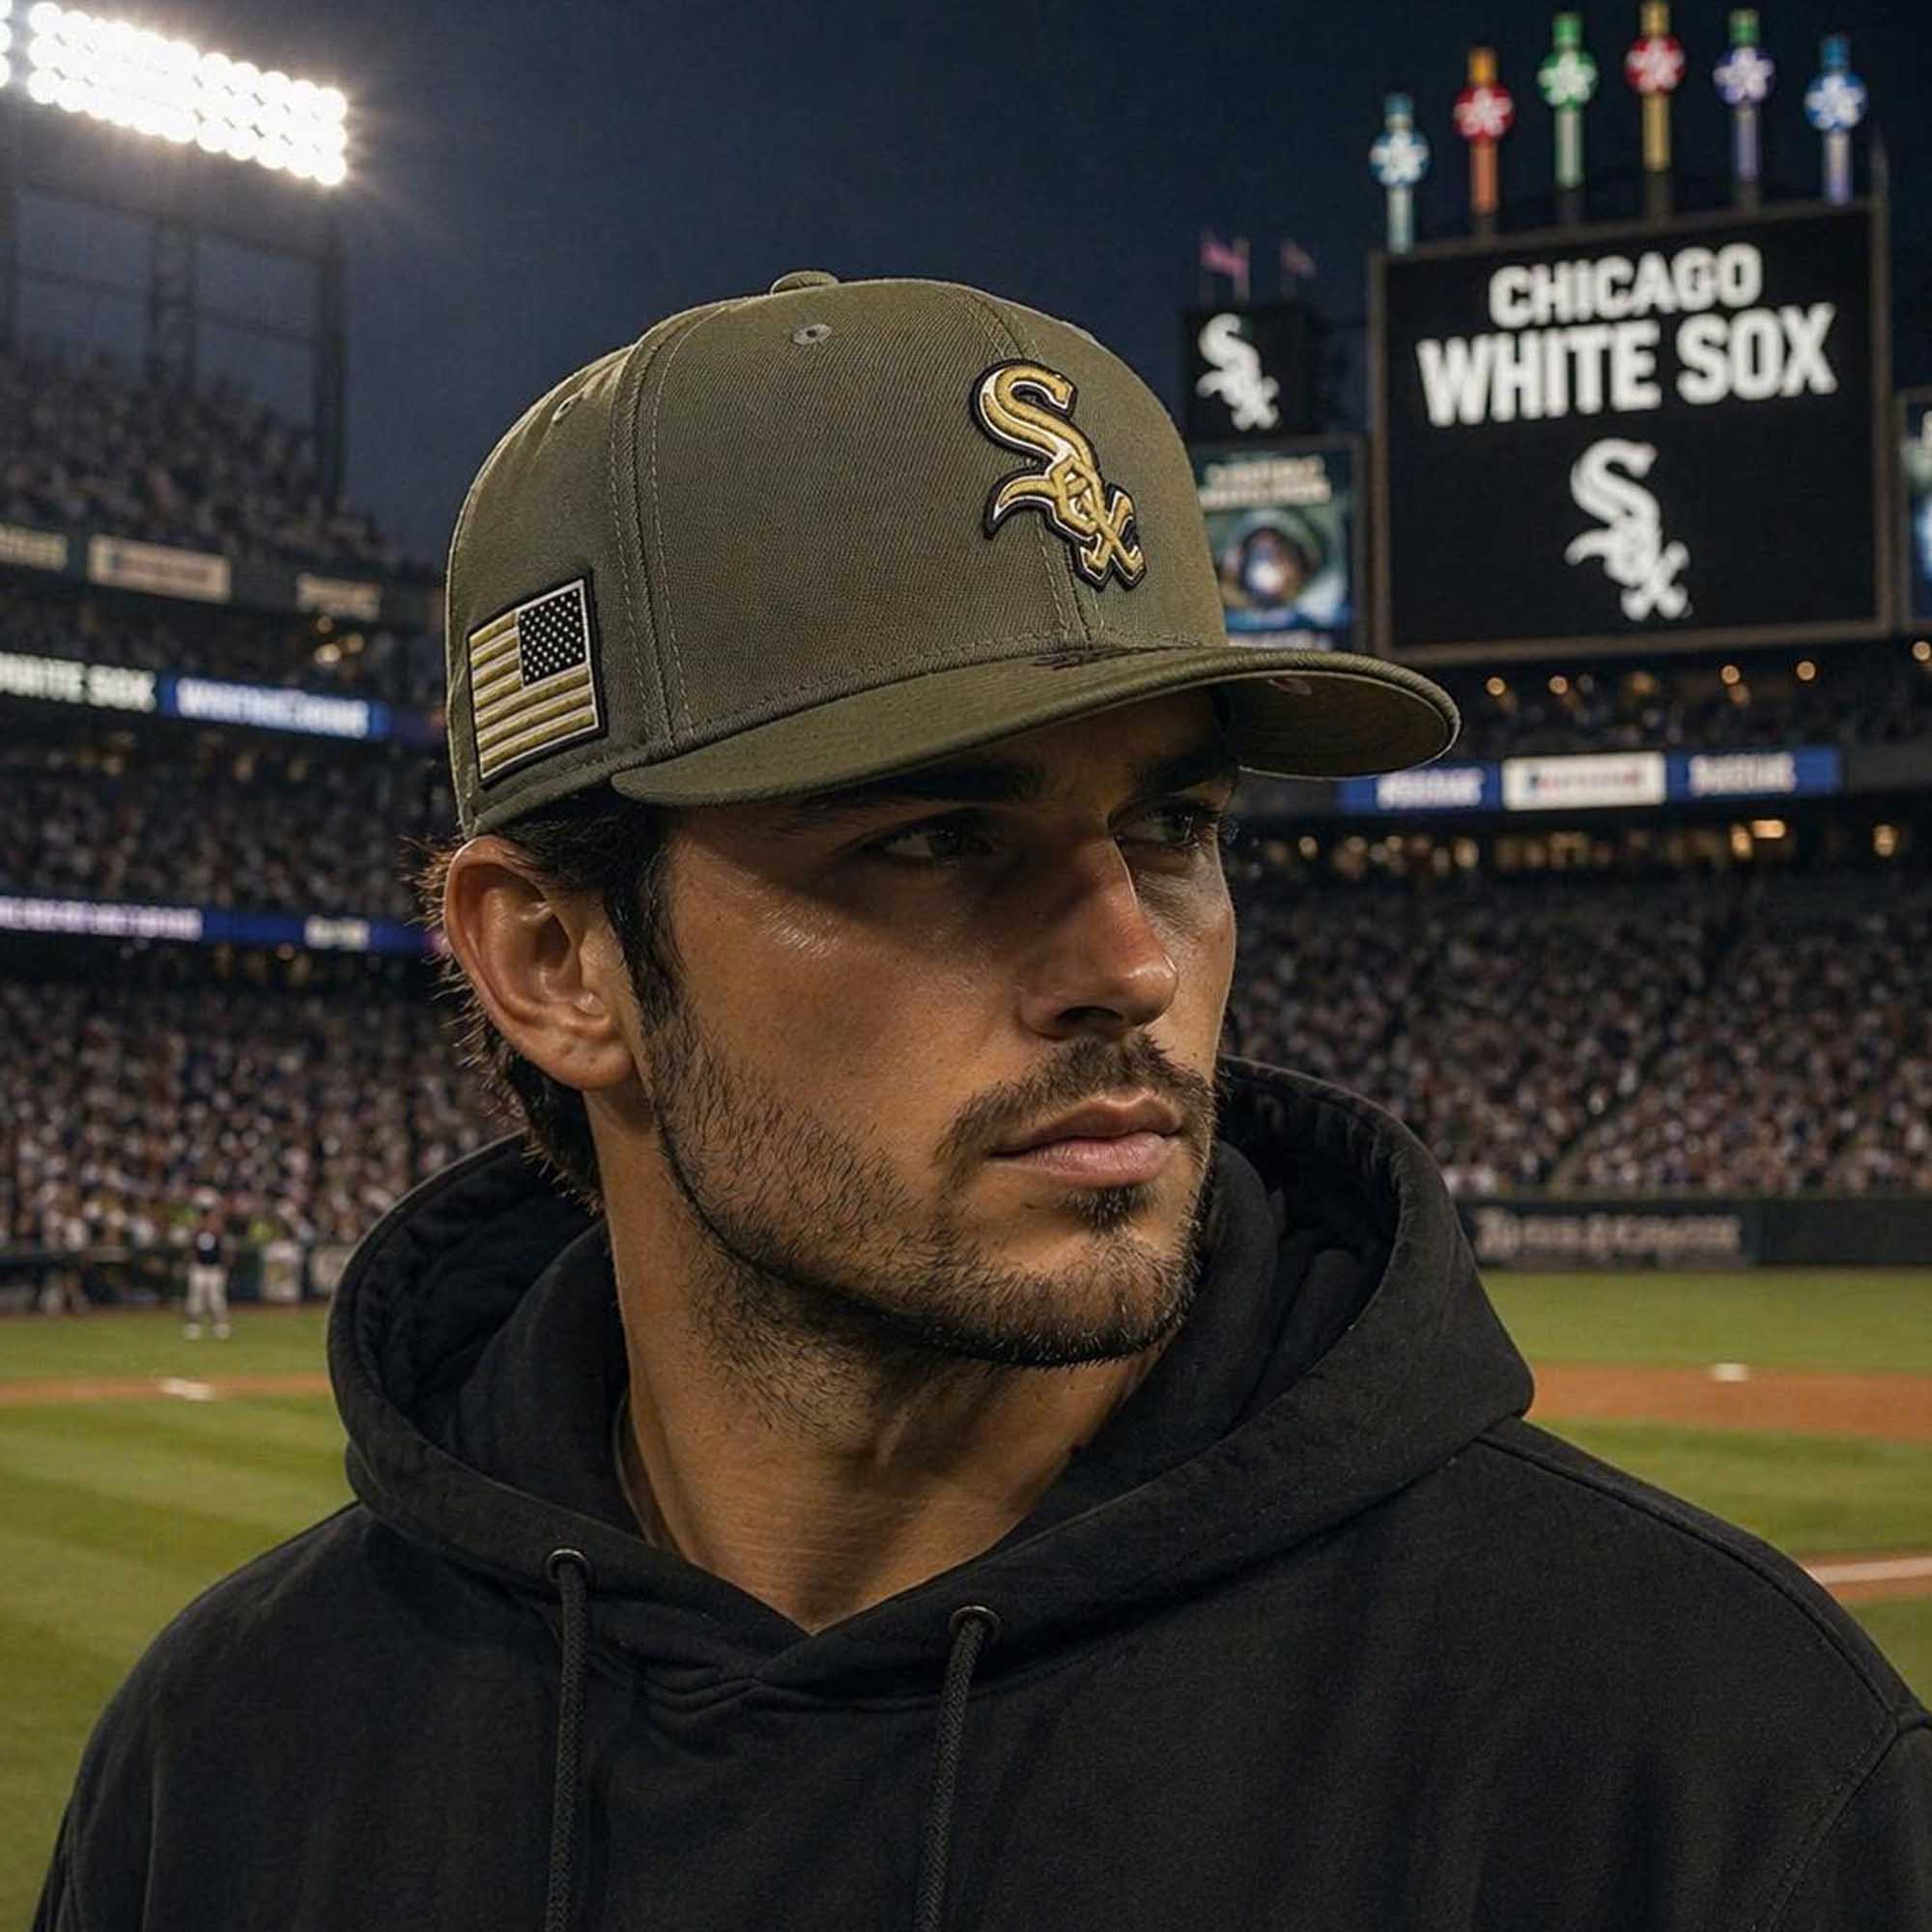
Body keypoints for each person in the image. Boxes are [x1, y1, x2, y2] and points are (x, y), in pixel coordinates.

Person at [37, 273, 1930, 1931]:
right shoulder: (240, 1753)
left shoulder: (1706, 1762)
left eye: (1173, 825)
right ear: (555, 962)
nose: (1129, 961)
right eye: (938, 837)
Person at [181, 1211, 230, 1340]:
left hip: (215, 1269)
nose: (212, 1224)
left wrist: (224, 1268)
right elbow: (190, 1250)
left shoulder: (220, 1236)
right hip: (199, 1268)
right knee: (195, 1297)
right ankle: (193, 1324)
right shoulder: (198, 1234)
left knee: (216, 1298)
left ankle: (220, 1325)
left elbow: (226, 1253)